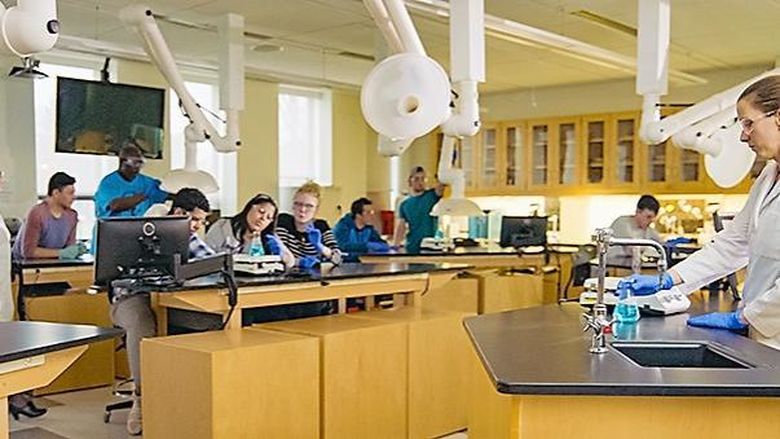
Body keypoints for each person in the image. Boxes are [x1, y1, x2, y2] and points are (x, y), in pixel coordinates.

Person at [617, 75, 780, 351]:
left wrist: (745, 316)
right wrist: (669, 279)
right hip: (764, 336)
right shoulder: (768, 176)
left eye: (749, 123)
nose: (742, 135)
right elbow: (731, 245)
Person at [110, 188, 215, 435]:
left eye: (202, 221)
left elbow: (211, 262)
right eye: (196, 219)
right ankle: (142, 399)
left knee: (212, 320)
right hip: (130, 300)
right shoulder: (140, 233)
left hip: (169, 302)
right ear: (179, 213)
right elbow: (120, 275)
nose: (198, 226)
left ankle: (186, 395)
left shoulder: (189, 238)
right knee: (142, 321)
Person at [92, 143, 169, 252]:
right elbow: (115, 205)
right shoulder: (108, 183)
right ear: (123, 162)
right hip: (109, 240)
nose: (138, 167)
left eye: (140, 162)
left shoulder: (147, 182)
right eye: (135, 162)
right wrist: (143, 196)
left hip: (134, 240)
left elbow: (166, 194)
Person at [205, 193, 295, 268]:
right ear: (250, 208)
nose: (263, 219)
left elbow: (290, 262)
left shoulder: (268, 236)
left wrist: (280, 253)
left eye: (268, 218)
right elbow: (206, 259)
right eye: (261, 212)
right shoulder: (223, 226)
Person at [12, 172, 86, 260]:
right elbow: (28, 252)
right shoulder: (37, 214)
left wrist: (76, 250)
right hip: (25, 267)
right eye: (70, 193)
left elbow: (69, 249)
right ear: (56, 193)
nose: (74, 197)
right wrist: (61, 253)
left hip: (53, 264)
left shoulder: (72, 216)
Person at [276, 181, 342, 267]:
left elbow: (338, 259)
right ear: (293, 205)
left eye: (309, 206)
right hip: (287, 277)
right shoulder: (283, 222)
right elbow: (278, 256)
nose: (303, 209)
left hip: (315, 277)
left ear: (316, 209)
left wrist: (320, 247)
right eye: (298, 204)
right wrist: (299, 262)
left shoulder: (321, 226)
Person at [393, 166, 445, 253]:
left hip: (430, 246)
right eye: (416, 179)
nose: (420, 182)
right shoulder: (404, 204)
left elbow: (441, 185)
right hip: (412, 246)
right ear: (410, 181)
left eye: (423, 179)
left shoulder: (431, 196)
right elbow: (400, 227)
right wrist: (395, 246)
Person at [606, 195, 663, 263]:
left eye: (652, 218)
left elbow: (661, 245)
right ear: (638, 212)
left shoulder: (649, 230)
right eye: (648, 217)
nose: (650, 221)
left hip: (633, 266)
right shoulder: (622, 223)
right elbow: (632, 248)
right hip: (612, 266)